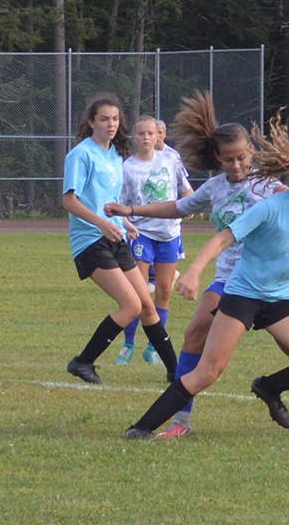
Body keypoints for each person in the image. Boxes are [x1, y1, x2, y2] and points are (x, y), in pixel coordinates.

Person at [105, 93, 289, 437]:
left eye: (242, 157)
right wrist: (191, 267)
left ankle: (271, 387)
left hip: (280, 296)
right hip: (239, 288)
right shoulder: (256, 200)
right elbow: (199, 223)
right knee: (205, 363)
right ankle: (154, 426)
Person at [62, 95, 178, 385]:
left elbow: (108, 201)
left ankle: (176, 370)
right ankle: (83, 362)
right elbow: (69, 201)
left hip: (115, 237)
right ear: (91, 122)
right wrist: (102, 223)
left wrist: (122, 221)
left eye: (115, 119)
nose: (111, 124)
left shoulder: (115, 155)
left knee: (147, 306)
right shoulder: (80, 154)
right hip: (90, 241)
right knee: (131, 307)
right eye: (104, 119)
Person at [113, 115, 192, 367]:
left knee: (164, 292)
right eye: (141, 134)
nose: (146, 138)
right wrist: (126, 224)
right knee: (138, 295)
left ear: (159, 136)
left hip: (169, 233)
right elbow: (121, 203)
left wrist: (189, 204)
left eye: (151, 133)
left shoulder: (171, 159)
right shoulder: (127, 167)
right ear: (134, 137)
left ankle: (153, 347)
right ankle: (128, 345)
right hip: (141, 233)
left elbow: (184, 188)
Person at [145, 119, 193, 294]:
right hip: (146, 210)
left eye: (157, 132)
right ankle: (157, 278)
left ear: (163, 134)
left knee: (164, 246)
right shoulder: (142, 156)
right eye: (149, 132)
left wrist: (190, 201)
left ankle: (160, 279)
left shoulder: (172, 156)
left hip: (167, 213)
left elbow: (183, 183)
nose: (154, 136)